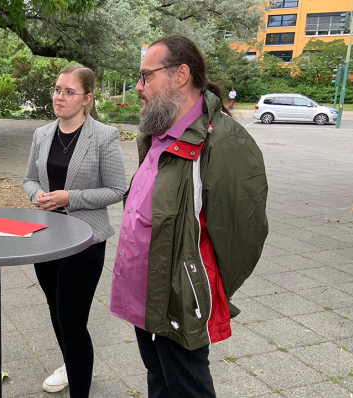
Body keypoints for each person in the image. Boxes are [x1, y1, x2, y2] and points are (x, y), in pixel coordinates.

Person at [109, 35, 268, 397]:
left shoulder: (223, 143)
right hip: (144, 291)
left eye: (146, 76)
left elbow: (243, 233)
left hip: (179, 296)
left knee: (187, 388)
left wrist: (198, 282)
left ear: (180, 74)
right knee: (159, 380)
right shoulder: (155, 134)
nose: (138, 87)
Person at [24, 64, 127, 396]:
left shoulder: (104, 136)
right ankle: (72, 364)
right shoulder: (41, 134)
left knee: (72, 321)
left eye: (69, 91)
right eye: (57, 89)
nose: (60, 96)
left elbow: (116, 189)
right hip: (46, 237)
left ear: (87, 98)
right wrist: (36, 194)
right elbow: (29, 178)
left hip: (85, 239)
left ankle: (79, 385)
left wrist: (72, 197)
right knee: (57, 311)